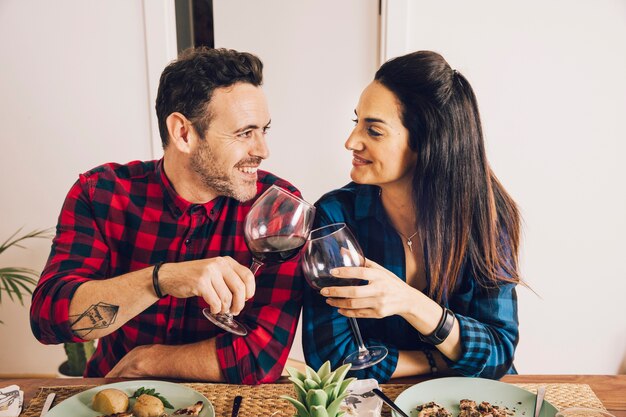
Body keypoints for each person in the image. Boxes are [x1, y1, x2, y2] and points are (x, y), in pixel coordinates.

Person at [30, 47, 304, 384]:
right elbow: (49, 319)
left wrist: (147, 361)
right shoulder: (102, 193)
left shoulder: (278, 207)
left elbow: (262, 357)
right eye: (244, 133)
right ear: (183, 133)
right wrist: (160, 279)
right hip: (118, 394)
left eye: (264, 130)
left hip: (220, 398)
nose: (263, 150)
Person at [303, 51, 521, 381]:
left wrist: (410, 303)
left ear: (427, 143)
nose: (351, 141)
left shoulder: (487, 216)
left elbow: (499, 351)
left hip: (469, 400)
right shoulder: (335, 217)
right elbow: (334, 359)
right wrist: (440, 360)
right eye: (356, 122)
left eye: (373, 131)